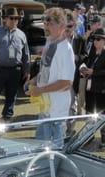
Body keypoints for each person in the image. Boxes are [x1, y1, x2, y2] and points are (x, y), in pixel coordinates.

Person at [26, 7, 74, 149]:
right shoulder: (49, 43)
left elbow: (66, 83)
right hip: (46, 108)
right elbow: (47, 70)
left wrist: (40, 90)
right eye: (45, 22)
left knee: (53, 154)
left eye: (50, 23)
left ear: (62, 26)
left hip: (57, 113)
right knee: (40, 149)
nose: (46, 26)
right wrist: (35, 80)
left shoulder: (66, 50)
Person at [0, 7, 29, 122]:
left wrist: (27, 71)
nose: (14, 21)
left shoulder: (22, 35)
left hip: (16, 70)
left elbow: (26, 55)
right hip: (0, 69)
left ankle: (7, 117)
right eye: (12, 18)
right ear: (5, 19)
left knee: (12, 95)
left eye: (16, 19)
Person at [80, 28, 105, 149]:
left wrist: (94, 71)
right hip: (91, 88)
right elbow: (89, 65)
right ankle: (89, 136)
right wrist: (85, 70)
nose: (95, 41)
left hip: (102, 90)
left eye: (98, 39)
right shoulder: (93, 52)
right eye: (94, 39)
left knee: (103, 115)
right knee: (89, 112)